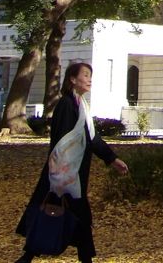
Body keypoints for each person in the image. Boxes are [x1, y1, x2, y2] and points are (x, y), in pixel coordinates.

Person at [15, 61, 129, 263]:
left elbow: (91, 139)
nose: (89, 79)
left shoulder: (81, 106)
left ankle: (30, 257)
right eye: (85, 75)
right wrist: (62, 173)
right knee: (59, 213)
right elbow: (61, 142)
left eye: (90, 75)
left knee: (76, 217)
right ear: (72, 79)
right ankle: (29, 257)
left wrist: (112, 159)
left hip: (73, 176)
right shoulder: (66, 105)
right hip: (62, 176)